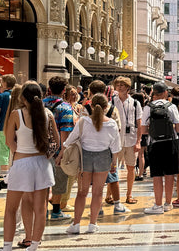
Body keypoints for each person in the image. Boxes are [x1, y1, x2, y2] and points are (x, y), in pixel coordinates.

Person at [0, 81, 59, 251]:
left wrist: (19, 152)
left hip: (22, 163)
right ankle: (33, 249)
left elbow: (8, 139)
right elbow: (57, 142)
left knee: (11, 209)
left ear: (22, 97)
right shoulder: (47, 114)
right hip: (42, 164)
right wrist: (44, 154)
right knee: (41, 210)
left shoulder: (17, 114)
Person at [60, 93, 123, 234]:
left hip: (85, 158)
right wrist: (114, 163)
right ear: (106, 107)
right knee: (98, 192)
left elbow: (71, 139)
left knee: (82, 193)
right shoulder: (112, 124)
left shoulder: (83, 121)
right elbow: (115, 147)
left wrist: (62, 152)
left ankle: (76, 224)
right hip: (103, 158)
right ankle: (92, 224)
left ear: (91, 105)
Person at [139, 83, 179, 214]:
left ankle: (158, 205)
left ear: (154, 93)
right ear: (165, 93)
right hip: (171, 143)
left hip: (155, 143)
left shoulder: (148, 107)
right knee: (169, 174)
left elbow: (143, 130)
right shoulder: (172, 106)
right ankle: (168, 203)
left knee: (157, 175)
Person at [43, 76, 75, 221]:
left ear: (49, 88)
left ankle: (42, 210)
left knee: (43, 181)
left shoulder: (40, 105)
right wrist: (62, 152)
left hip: (40, 149)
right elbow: (65, 132)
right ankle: (56, 211)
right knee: (59, 180)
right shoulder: (66, 108)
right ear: (64, 90)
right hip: (57, 150)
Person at [113, 77, 142, 205]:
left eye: (122, 85)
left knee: (131, 168)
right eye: (118, 85)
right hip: (116, 140)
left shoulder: (135, 103)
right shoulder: (112, 102)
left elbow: (139, 124)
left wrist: (138, 141)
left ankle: (129, 194)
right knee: (112, 168)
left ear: (128, 87)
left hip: (131, 140)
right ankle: (111, 195)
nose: (119, 87)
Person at [0, 73, 15, 178]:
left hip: (1, 126)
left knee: (2, 150)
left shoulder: (0, 96)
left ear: (5, 83)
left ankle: (4, 175)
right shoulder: (17, 95)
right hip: (16, 127)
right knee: (13, 150)